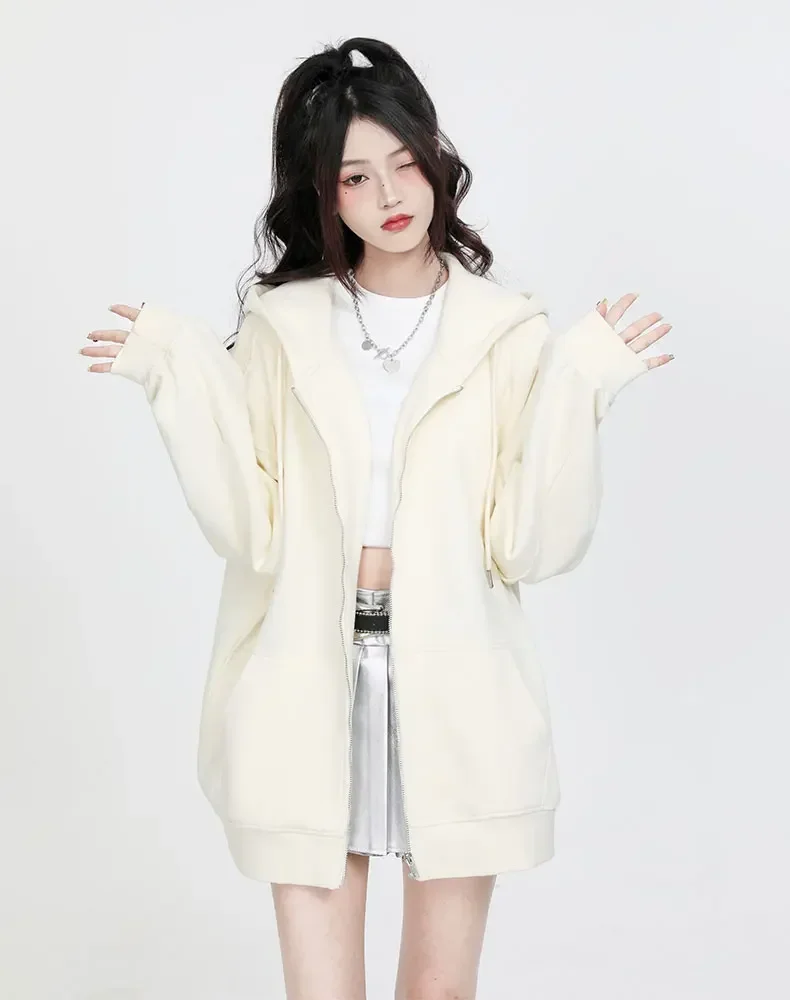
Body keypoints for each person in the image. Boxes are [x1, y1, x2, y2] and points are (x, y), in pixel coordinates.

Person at [80, 36, 674, 1000]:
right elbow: (250, 527)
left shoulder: (506, 332)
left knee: (439, 991)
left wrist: (579, 381)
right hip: (306, 677)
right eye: (356, 177)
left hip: (458, 683)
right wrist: (177, 368)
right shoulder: (284, 327)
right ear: (323, 195)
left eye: (405, 162)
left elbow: (528, 543)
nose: (391, 193)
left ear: (436, 161)